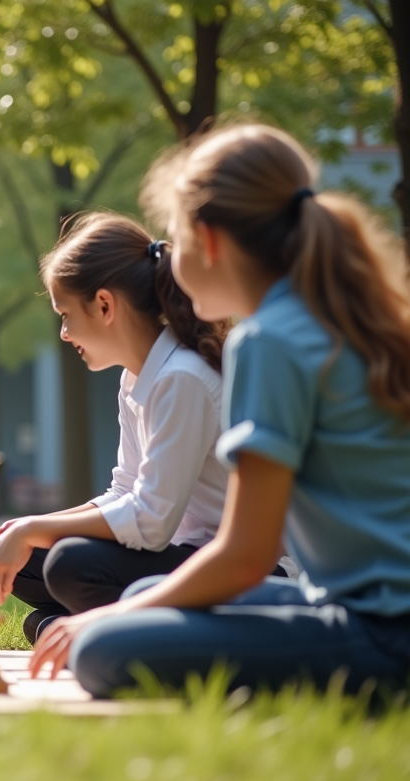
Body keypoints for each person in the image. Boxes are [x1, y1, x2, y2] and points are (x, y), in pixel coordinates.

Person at [31, 123, 410, 697]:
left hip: (383, 634)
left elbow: (245, 556)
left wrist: (94, 618)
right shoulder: (333, 315)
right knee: (137, 600)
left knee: (103, 648)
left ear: (208, 240)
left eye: (175, 238)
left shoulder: (268, 341)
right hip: (348, 603)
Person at [0, 212, 270, 644]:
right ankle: (71, 626)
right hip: (176, 553)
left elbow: (151, 522)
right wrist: (26, 527)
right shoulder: (136, 377)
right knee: (26, 561)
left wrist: (32, 529)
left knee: (69, 564)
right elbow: (124, 490)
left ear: (105, 305)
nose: (65, 333)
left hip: (230, 569)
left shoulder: (181, 377)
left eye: (66, 315)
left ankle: (78, 629)